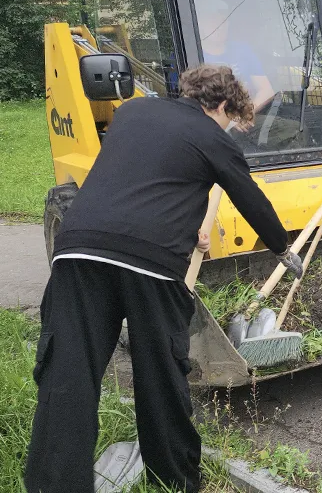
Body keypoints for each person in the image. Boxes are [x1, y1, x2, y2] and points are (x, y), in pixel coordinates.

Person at [24, 65, 303, 493]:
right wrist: (283, 248)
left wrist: (186, 222)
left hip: (78, 249)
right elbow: (251, 198)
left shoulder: (134, 112)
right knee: (160, 377)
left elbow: (145, 177)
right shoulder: (215, 139)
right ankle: (174, 480)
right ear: (224, 104)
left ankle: (53, 485)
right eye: (230, 117)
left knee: (68, 374)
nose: (229, 126)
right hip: (151, 265)